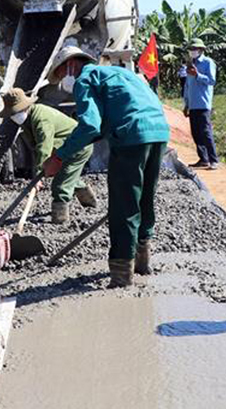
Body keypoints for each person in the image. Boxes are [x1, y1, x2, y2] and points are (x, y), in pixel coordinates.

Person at [42, 46, 170, 288]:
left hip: (132, 136)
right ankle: (143, 262)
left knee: (124, 206)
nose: (63, 81)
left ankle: (122, 274)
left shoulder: (85, 79)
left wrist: (58, 157)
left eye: (60, 74)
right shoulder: (122, 74)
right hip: (159, 132)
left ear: (70, 65)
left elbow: (89, 126)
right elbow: (102, 125)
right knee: (144, 199)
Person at [0, 88, 96, 223]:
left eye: (16, 112)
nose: (14, 116)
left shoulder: (41, 118)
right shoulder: (27, 122)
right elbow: (36, 148)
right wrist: (38, 172)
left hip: (79, 146)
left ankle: (60, 218)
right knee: (65, 175)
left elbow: (44, 147)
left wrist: (39, 174)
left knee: (60, 184)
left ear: (25, 108)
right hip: (63, 148)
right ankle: (88, 200)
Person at [182, 38, 219, 170]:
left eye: (195, 49)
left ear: (201, 50)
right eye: (191, 49)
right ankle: (203, 159)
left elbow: (211, 81)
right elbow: (188, 85)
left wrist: (198, 75)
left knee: (205, 132)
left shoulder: (208, 63)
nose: (192, 51)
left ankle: (213, 159)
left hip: (203, 103)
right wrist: (186, 103)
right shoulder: (190, 64)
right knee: (196, 133)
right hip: (192, 104)